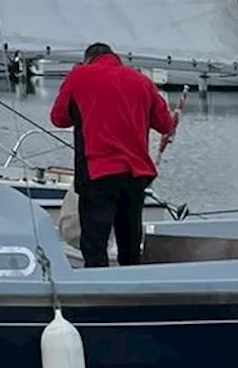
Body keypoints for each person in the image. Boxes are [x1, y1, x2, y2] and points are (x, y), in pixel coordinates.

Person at [48, 43, 177, 268]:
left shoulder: (79, 76)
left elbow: (59, 118)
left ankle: (96, 291)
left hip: (98, 173)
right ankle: (130, 290)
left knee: (95, 244)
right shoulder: (142, 81)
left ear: (88, 59)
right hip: (136, 176)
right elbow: (165, 124)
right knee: (130, 244)